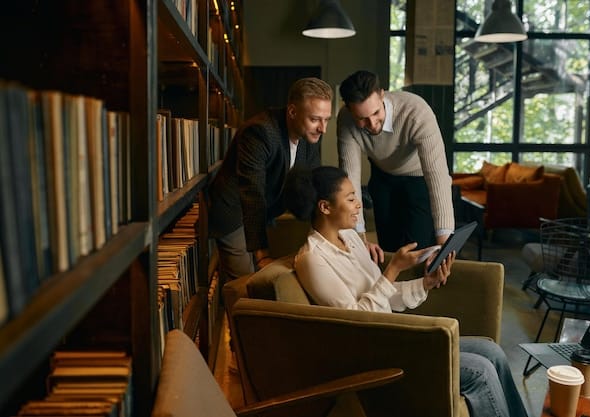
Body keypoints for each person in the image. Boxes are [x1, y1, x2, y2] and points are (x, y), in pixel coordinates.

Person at [283, 166, 528, 417]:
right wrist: (393, 269)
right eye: (350, 198)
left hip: (393, 337)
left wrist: (426, 283)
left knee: (493, 352)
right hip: (371, 354)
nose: (359, 204)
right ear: (325, 207)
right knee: (480, 370)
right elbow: (354, 321)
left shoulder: (351, 238)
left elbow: (382, 295)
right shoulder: (312, 259)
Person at [207, 77, 333, 281]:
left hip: (267, 208)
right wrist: (261, 253)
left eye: (326, 119)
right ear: (292, 111)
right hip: (234, 211)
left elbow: (314, 185)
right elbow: (252, 193)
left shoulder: (310, 135)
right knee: (243, 284)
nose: (323, 128)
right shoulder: (260, 132)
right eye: (315, 119)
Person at [337, 69, 455, 256]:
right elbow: (350, 178)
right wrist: (358, 237)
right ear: (349, 109)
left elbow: (438, 176)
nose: (373, 124)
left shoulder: (416, 112)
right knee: (388, 250)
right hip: (383, 176)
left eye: (376, 113)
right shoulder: (345, 119)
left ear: (382, 95)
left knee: (419, 248)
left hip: (419, 178)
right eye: (362, 119)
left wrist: (445, 244)